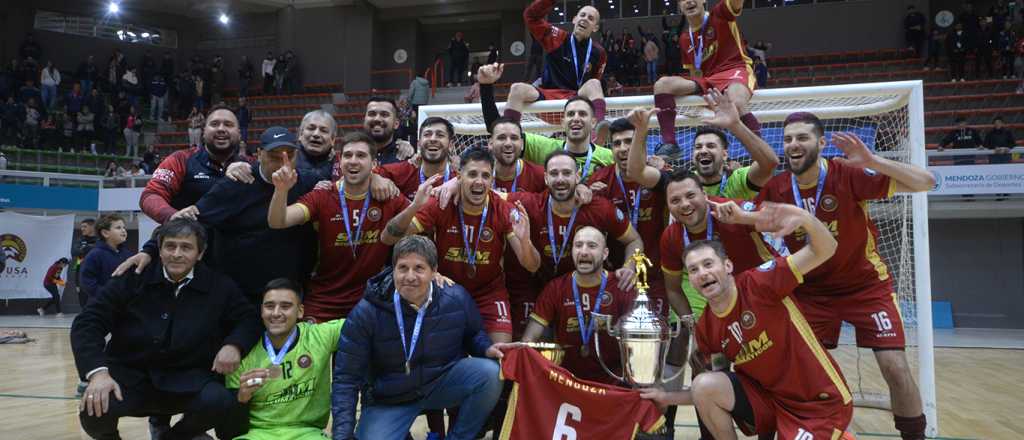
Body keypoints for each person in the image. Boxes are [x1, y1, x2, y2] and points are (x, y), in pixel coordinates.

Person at [755, 112, 935, 440]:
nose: (793, 144)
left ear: (822, 143)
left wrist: (872, 160)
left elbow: (927, 182)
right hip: (810, 293)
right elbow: (751, 229)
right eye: (788, 139)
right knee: (799, 373)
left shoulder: (848, 174)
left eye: (802, 137)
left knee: (894, 366)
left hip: (864, 287)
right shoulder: (775, 188)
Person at [640, 202, 852, 440]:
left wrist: (805, 218)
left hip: (817, 404)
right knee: (703, 383)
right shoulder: (707, 328)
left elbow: (827, 248)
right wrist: (666, 398)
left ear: (728, 266)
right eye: (694, 270)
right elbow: (713, 390)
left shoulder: (760, 283)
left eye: (708, 264)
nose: (703, 273)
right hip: (770, 402)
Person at [71, 218, 260, 440]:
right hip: (130, 378)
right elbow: (88, 322)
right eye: (170, 246)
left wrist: (234, 345)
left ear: (200, 253)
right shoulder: (131, 278)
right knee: (93, 406)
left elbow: (248, 318)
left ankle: (175, 437)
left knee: (220, 400)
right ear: (159, 250)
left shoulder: (220, 286)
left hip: (189, 379)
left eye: (186, 247)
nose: (177, 254)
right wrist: (98, 373)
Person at [331, 235, 505, 440]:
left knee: (491, 373)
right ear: (392, 269)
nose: (410, 276)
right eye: (402, 268)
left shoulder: (455, 297)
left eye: (419, 268)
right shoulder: (367, 311)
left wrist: (486, 349)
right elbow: (346, 378)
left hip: (439, 383)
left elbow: (474, 334)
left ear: (434, 271)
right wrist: (342, 435)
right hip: (390, 397)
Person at [385, 147, 540, 343]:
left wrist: (525, 241)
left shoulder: (503, 210)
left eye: (485, 176)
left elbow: (532, 265)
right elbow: (389, 238)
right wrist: (415, 206)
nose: (479, 181)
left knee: (501, 354)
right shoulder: (442, 202)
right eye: (472, 174)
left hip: (489, 292)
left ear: (492, 180)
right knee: (442, 350)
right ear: (459, 177)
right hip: (445, 287)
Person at [268, 131, 410, 321]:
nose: (353, 161)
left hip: (371, 299)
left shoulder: (388, 196)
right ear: (340, 161)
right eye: (348, 155)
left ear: (374, 164)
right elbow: (278, 221)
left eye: (361, 155)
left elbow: (422, 221)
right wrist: (281, 190)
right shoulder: (323, 195)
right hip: (324, 299)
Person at [226, 278, 342, 440]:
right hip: (256, 434)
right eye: (269, 306)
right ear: (261, 310)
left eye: (286, 306)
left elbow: (362, 322)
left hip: (307, 433)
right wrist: (241, 397)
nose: (276, 313)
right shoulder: (242, 351)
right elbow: (228, 430)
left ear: (300, 311)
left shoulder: (320, 337)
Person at [522, 226, 634, 384]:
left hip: (614, 383)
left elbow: (638, 342)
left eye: (592, 246)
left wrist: (625, 324)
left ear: (605, 254)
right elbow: (530, 338)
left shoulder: (621, 286)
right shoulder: (556, 288)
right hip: (566, 383)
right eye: (578, 245)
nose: (584, 251)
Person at [653, 0, 760, 160]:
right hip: (707, 79)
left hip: (734, 70)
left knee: (735, 102)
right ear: (680, 5)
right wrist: (700, 99)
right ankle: (670, 144)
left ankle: (759, 148)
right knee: (662, 84)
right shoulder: (684, 39)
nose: (689, 1)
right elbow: (695, 72)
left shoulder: (720, 13)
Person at [478, 63, 614, 180]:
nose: (576, 118)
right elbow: (498, 130)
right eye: (571, 114)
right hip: (547, 92)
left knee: (594, 83)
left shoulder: (610, 157)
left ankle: (596, 137)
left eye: (582, 114)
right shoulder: (544, 148)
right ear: (562, 122)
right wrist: (485, 87)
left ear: (593, 121)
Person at [140, 105, 250, 224]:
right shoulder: (180, 160)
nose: (221, 129)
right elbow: (151, 195)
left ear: (239, 134)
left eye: (228, 124)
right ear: (203, 132)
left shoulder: (250, 166)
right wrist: (172, 215)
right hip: (190, 239)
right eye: (214, 124)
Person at [504, 0, 607, 124]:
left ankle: (598, 131)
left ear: (595, 27)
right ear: (574, 19)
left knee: (594, 84)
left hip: (576, 101)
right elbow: (530, 17)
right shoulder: (558, 38)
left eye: (590, 18)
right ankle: (508, 131)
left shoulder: (599, 53)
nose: (585, 19)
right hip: (547, 97)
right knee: (516, 89)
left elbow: (595, 83)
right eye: (582, 15)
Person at [375, 117, 459, 200]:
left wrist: (460, 182)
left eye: (440, 135)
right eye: (427, 134)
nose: (433, 139)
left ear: (450, 145)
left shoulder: (457, 180)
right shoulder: (401, 171)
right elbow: (368, 174)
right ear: (419, 144)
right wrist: (376, 178)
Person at [79, 214, 130, 308]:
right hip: (101, 306)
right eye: (118, 228)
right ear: (105, 233)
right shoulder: (94, 255)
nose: (123, 230)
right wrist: (106, 295)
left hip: (124, 306)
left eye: (124, 227)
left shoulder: (128, 255)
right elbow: (87, 281)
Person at [363, 97, 415, 165]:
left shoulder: (407, 158)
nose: (377, 119)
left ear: (396, 124)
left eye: (384, 114)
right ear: (364, 120)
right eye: (372, 114)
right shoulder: (351, 155)